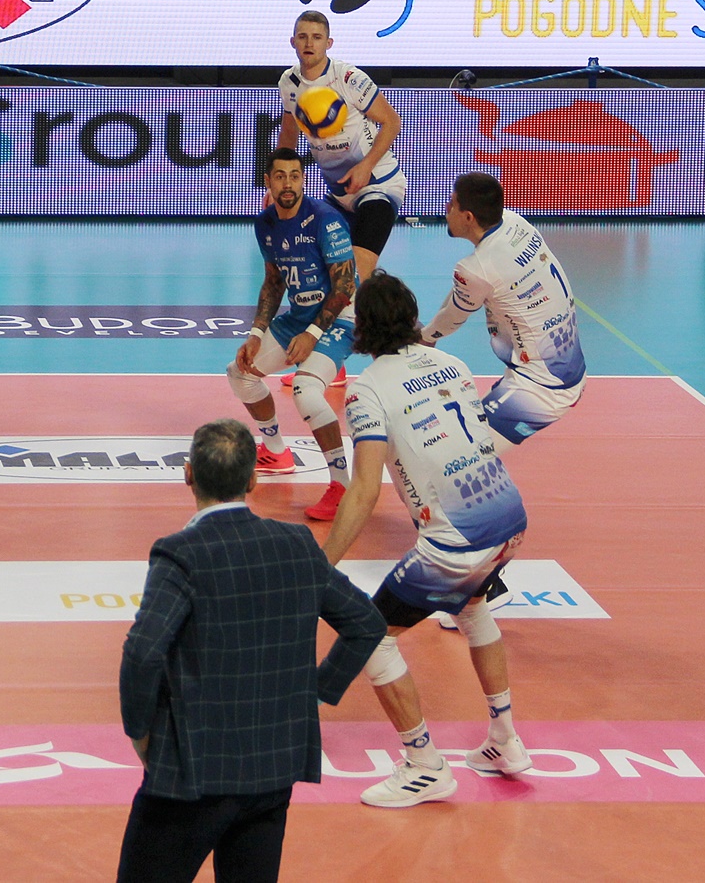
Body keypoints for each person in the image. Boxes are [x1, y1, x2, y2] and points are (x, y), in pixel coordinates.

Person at [117, 419, 385, 882]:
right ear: (253, 479)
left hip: (190, 774)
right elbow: (366, 622)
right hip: (272, 771)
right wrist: (314, 694)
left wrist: (139, 732)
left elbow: (143, 652)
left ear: (188, 474)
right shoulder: (297, 544)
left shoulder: (181, 553)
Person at [320, 272, 533, 809]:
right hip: (509, 520)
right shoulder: (451, 364)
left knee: (370, 635)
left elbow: (364, 488)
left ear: (362, 329)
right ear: (411, 317)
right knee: (473, 607)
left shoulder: (367, 390)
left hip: (457, 540)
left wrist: (321, 563)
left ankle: (424, 766)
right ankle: (505, 740)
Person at [421, 172, 587, 629]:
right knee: (463, 458)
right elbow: (470, 295)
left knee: (462, 465)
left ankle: (487, 584)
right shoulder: (516, 224)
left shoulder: (476, 268)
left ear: (467, 216)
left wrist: (423, 337)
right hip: (550, 369)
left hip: (541, 387)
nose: (445, 208)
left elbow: (454, 315)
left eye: (451, 203)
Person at [230, 146, 358, 522]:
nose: (288, 184)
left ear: (303, 180)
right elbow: (274, 282)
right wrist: (256, 332)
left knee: (305, 389)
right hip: (299, 316)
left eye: (295, 176)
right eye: (280, 176)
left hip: (340, 318)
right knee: (240, 373)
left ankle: (342, 486)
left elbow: (345, 286)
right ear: (268, 182)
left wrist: (313, 333)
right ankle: (276, 451)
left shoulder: (325, 220)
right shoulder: (265, 223)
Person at [277, 9, 406, 286]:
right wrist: (278, 184)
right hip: (339, 195)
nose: (309, 43)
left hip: (378, 184)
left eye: (316, 37)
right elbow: (288, 138)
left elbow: (392, 122)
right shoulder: (289, 82)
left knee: (355, 274)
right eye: (303, 37)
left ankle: (374, 311)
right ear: (293, 42)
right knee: (313, 268)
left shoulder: (348, 78)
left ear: (329, 43)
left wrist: (365, 166)